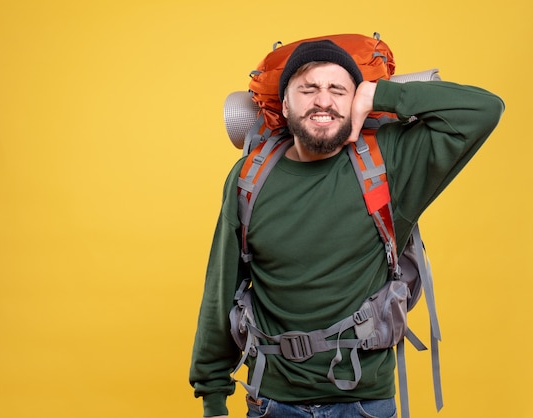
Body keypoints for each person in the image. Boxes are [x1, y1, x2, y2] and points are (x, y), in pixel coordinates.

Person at [189, 39, 504, 418]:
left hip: (364, 403)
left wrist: (381, 94)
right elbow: (221, 287)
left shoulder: (390, 163)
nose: (323, 101)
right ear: (285, 105)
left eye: (338, 89)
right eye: (308, 89)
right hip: (271, 400)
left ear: (356, 100)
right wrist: (213, 396)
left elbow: (485, 109)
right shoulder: (249, 178)